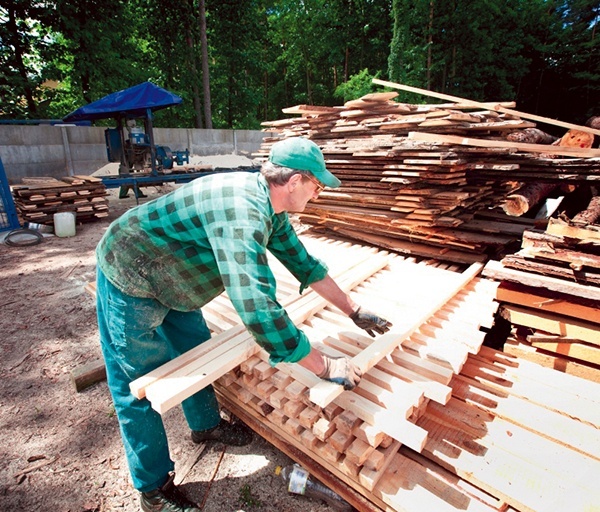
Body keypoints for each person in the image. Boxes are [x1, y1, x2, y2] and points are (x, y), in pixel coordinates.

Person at [95, 136, 392, 512]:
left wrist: (353, 309)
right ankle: (154, 490)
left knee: (196, 350)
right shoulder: (243, 213)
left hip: (176, 275)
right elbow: (257, 309)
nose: (318, 195)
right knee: (138, 385)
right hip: (132, 271)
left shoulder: (272, 207)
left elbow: (303, 263)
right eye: (317, 186)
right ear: (296, 181)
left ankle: (206, 427)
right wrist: (325, 365)